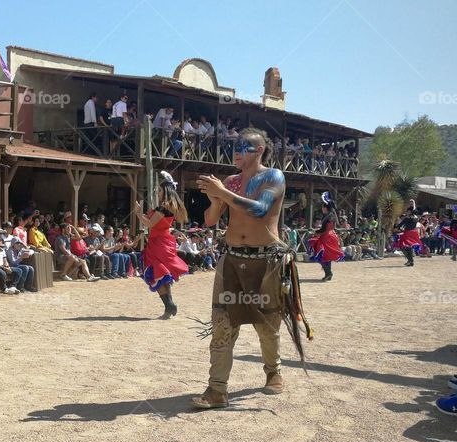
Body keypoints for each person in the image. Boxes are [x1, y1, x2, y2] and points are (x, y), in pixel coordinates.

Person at [192, 128, 313, 408]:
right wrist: (215, 200)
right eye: (234, 147)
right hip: (232, 258)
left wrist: (222, 192)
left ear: (258, 151)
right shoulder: (231, 182)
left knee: (267, 324)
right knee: (222, 324)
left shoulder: (273, 177)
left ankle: (274, 372)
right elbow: (211, 220)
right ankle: (216, 390)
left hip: (267, 260)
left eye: (242, 147)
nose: (235, 152)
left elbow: (260, 209)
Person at [135, 171, 189, 319]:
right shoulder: (168, 208)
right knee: (162, 274)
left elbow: (149, 224)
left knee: (155, 273)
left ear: (165, 191)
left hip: (158, 244)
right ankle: (169, 306)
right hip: (163, 242)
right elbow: (160, 225)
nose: (157, 193)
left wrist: (138, 213)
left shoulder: (163, 208)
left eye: (159, 190)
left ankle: (169, 306)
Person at [308, 193, 344, 281]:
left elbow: (324, 229)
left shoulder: (328, 217)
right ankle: (328, 274)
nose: (322, 208)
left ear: (326, 208)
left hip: (326, 237)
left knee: (321, 255)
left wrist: (315, 231)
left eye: (323, 207)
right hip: (331, 236)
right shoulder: (331, 216)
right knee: (326, 256)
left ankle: (328, 273)